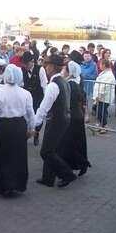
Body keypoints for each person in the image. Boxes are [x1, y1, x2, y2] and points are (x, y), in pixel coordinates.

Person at [0, 64, 35, 197]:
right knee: (18, 156)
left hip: (4, 126)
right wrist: (31, 128)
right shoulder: (25, 93)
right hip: (19, 125)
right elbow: (30, 113)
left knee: (2, 156)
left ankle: (4, 185)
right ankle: (18, 183)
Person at [34, 55, 77, 188]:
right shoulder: (63, 81)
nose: (45, 67)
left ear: (52, 67)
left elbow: (44, 107)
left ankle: (67, 174)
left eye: (47, 65)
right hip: (63, 118)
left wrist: (35, 123)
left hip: (57, 119)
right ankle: (48, 178)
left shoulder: (53, 85)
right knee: (52, 149)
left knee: (46, 151)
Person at [59, 61, 91, 176]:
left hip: (72, 116)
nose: (63, 71)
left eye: (64, 69)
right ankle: (81, 164)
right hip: (77, 115)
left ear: (69, 72)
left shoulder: (69, 85)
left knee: (69, 143)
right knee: (78, 142)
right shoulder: (76, 84)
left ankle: (75, 166)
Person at [21, 51, 47, 146]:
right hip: (26, 98)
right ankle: (26, 134)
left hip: (38, 96)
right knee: (24, 116)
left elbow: (44, 85)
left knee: (37, 116)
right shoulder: (21, 70)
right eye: (24, 63)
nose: (25, 65)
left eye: (27, 63)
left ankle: (36, 134)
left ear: (32, 61)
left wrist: (45, 98)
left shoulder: (40, 69)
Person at [92, 59, 116, 134]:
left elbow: (105, 86)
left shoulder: (109, 74)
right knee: (100, 111)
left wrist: (99, 95)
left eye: (100, 64)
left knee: (101, 111)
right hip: (102, 96)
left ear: (104, 65)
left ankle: (104, 126)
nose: (99, 66)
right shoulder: (104, 73)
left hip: (104, 97)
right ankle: (102, 125)